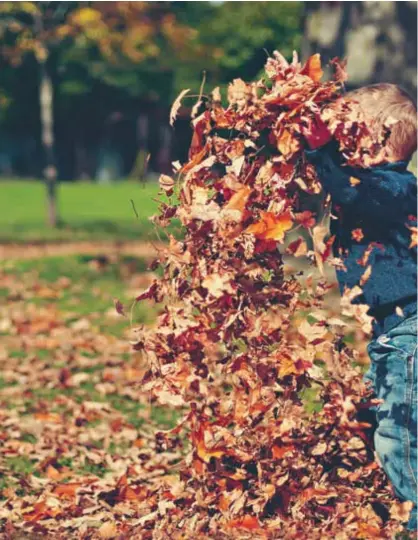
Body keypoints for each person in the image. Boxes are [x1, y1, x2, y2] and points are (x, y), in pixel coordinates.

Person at [303, 83, 417, 531]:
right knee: (374, 409)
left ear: (377, 139)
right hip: (393, 331)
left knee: (399, 433)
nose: (338, 143)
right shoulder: (378, 187)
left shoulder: (393, 188)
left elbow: (346, 189)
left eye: (347, 135)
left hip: (409, 331)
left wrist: (319, 149)